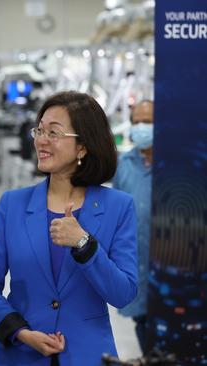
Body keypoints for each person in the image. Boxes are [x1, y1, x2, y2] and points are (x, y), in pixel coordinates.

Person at [0, 91, 138, 365]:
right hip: (19, 354)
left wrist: (84, 244)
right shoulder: (12, 205)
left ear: (82, 147)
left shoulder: (118, 207)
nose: (41, 140)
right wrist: (21, 332)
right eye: (39, 130)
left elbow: (123, 294)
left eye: (54, 133)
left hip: (87, 355)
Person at [113, 100, 153, 353]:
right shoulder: (124, 164)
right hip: (136, 262)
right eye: (136, 121)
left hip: (171, 265)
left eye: (147, 122)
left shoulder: (177, 165)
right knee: (143, 324)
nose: (140, 127)